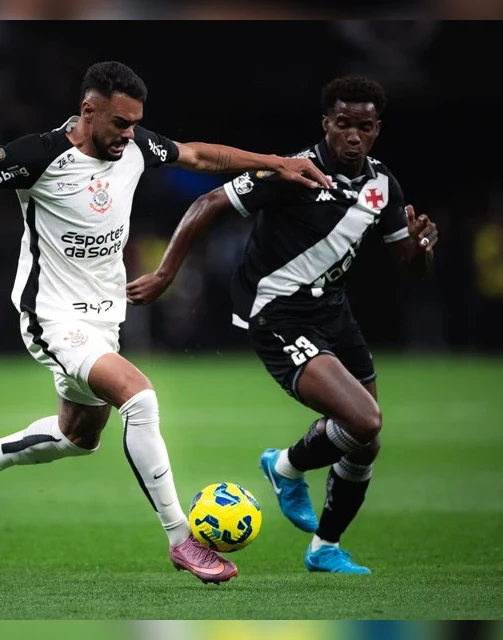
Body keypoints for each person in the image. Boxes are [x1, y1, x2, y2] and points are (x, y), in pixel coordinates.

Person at [0, 61, 333, 584]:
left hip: (105, 317)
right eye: (119, 123)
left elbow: (201, 155)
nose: (129, 134)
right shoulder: (40, 155)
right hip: (51, 315)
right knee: (140, 396)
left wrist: (277, 162)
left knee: (77, 437)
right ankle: (183, 541)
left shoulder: (134, 147)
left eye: (135, 123)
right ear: (89, 110)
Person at [127, 75, 439, 574]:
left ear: (377, 129)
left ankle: (324, 548)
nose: (353, 136)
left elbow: (408, 262)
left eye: (364, 126)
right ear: (326, 125)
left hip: (333, 312)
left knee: (367, 441)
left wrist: (423, 249)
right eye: (343, 125)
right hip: (276, 312)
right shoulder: (292, 172)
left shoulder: (383, 185)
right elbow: (207, 204)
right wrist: (166, 273)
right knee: (364, 422)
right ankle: (287, 466)